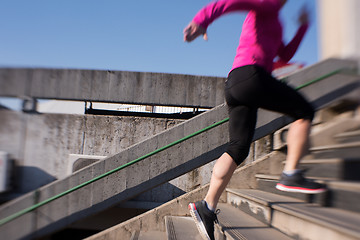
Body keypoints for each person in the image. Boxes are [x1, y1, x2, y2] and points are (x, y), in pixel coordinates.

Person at [183, 0, 326, 239]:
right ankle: (291, 173)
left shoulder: (275, 21)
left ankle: (206, 206)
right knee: (305, 112)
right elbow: (229, 2)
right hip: (252, 76)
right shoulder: (265, 4)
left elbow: (284, 53)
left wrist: (302, 27)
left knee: (238, 149)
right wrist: (201, 20)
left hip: (236, 82)